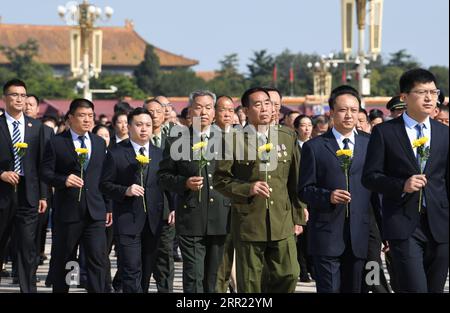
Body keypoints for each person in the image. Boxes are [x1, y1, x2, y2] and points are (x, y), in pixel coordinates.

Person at [362, 68, 449, 293]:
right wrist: (402, 185)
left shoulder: (444, 133)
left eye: (433, 92)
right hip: (404, 225)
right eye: (422, 92)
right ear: (404, 97)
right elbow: (370, 178)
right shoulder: (385, 133)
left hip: (440, 226)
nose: (429, 98)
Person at [213, 87, 305, 293]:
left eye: (267, 103)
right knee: (251, 283)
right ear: (245, 110)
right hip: (249, 222)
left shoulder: (287, 136)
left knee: (289, 273)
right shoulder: (233, 140)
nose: (264, 108)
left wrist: (298, 217)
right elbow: (220, 181)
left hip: (282, 219)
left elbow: (296, 181)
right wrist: (248, 188)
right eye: (257, 104)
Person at [298, 85, 371, 293]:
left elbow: (377, 190)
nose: (349, 115)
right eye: (343, 110)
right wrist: (327, 196)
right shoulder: (316, 147)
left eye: (354, 110)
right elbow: (304, 189)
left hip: (359, 235)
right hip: (326, 234)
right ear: (331, 112)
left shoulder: (370, 143)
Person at [158, 90, 230, 293]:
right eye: (199, 107)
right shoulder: (177, 140)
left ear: (214, 112)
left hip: (220, 217)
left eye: (208, 107)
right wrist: (184, 183)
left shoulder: (227, 140)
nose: (204, 112)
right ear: (190, 111)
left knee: (213, 278)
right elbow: (163, 177)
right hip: (190, 216)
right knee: (193, 275)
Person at [41, 98, 110, 293]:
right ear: (70, 118)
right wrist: (63, 180)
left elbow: (104, 177)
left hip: (95, 212)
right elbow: (45, 172)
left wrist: (108, 207)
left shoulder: (98, 142)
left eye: (90, 116)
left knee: (98, 260)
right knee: (65, 259)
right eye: (82, 115)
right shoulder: (56, 142)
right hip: (68, 213)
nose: (87, 120)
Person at [100, 107, 170, 293]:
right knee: (131, 270)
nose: (144, 129)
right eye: (139, 125)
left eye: (148, 125)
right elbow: (105, 184)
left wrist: (172, 208)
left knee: (146, 271)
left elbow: (167, 185)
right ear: (129, 127)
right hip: (127, 220)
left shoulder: (159, 153)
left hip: (154, 222)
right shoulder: (115, 153)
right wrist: (126, 190)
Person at [0, 79, 47, 293]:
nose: (19, 99)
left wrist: (43, 196)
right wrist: (1, 173)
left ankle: (28, 289)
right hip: (2, 196)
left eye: (23, 95)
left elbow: (43, 165)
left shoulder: (36, 127)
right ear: (4, 98)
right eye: (14, 95)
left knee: (28, 248)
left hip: (28, 197)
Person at [144, 98, 176, 293]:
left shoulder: (175, 139)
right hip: (141, 208)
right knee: (142, 257)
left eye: (158, 111)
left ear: (165, 114)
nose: (154, 115)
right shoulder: (137, 139)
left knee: (164, 257)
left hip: (165, 208)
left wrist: (174, 206)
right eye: (150, 111)